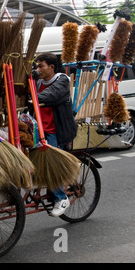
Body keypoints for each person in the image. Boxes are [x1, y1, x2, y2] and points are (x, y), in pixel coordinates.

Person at [33, 52, 78, 217]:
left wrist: (34, 97)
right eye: (37, 66)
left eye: (41, 66)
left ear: (51, 66)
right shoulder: (37, 83)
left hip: (55, 130)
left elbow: (54, 94)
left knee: (51, 164)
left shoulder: (62, 80)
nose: (38, 69)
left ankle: (61, 198)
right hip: (39, 129)